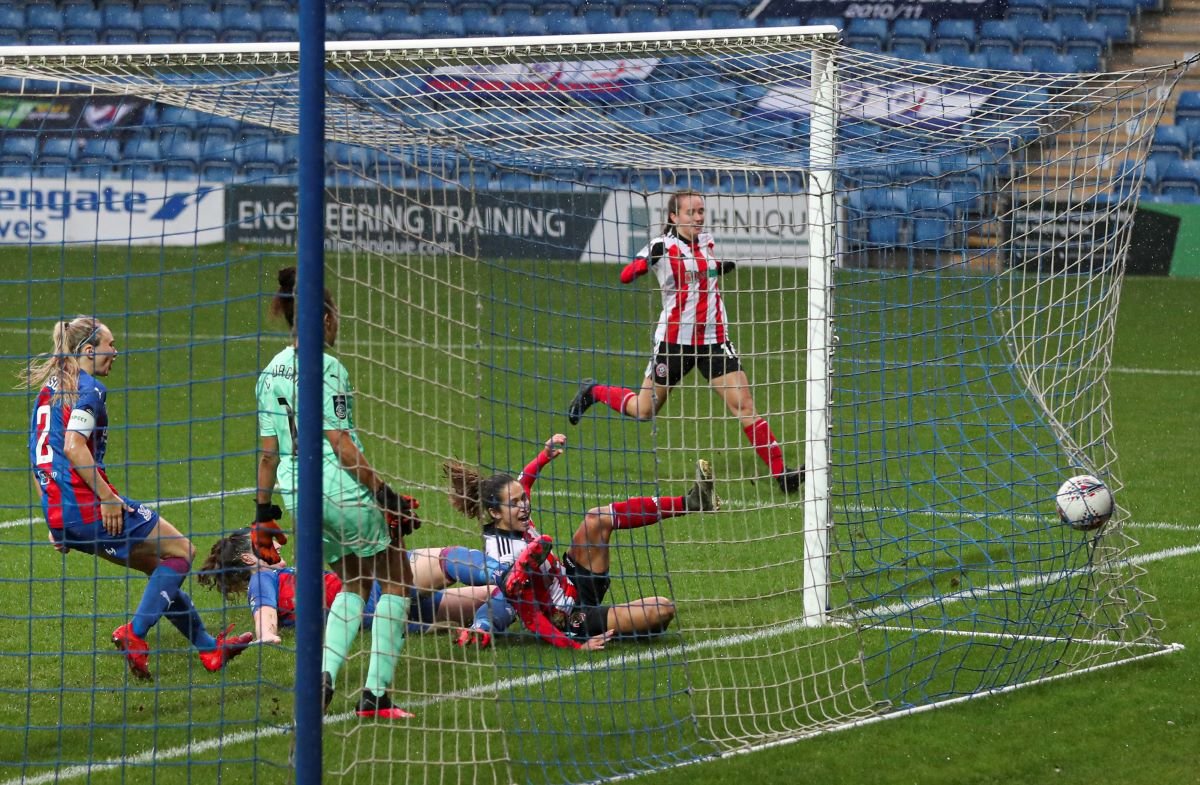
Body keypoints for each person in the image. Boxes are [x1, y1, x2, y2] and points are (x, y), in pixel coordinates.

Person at [20, 315, 253, 681]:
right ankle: (135, 634)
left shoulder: (48, 391)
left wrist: (54, 519)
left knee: (158, 567)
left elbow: (37, 454)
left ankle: (209, 649)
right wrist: (109, 499)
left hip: (62, 514)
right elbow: (73, 447)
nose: (116, 352)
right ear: (87, 350)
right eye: (110, 345)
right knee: (182, 552)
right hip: (89, 505)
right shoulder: (89, 389)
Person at [253, 266, 422, 720]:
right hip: (338, 488)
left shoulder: (268, 374)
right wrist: (386, 496)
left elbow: (268, 454)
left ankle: (324, 677)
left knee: (352, 580)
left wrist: (262, 513)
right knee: (398, 582)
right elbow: (341, 444)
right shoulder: (329, 368)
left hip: (296, 493)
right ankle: (376, 695)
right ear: (324, 318)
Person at [566, 190, 804, 494]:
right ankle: (595, 391)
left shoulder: (707, 242)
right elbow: (625, 276)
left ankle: (783, 475)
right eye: (691, 212)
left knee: (744, 405)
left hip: (713, 340)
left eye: (701, 211)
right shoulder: (661, 246)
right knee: (644, 410)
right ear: (673, 216)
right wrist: (643, 264)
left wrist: (718, 269)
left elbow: (699, 275)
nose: (698, 217)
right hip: (674, 343)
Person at [444, 434, 717, 650]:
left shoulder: (515, 518)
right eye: (515, 503)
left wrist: (544, 457)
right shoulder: (504, 556)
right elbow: (530, 616)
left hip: (571, 578)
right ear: (495, 513)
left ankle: (692, 502)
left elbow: (524, 481)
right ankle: (627, 627)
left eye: (523, 499)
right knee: (662, 608)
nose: (524, 506)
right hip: (568, 616)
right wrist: (574, 645)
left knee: (596, 519)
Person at [197, 528, 497, 645]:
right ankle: (509, 571)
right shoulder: (264, 578)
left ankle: (524, 592)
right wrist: (266, 635)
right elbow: (263, 612)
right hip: (377, 585)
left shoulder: (276, 577)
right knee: (446, 560)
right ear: (250, 557)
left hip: (383, 617)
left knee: (488, 596)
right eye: (266, 543)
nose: (276, 542)